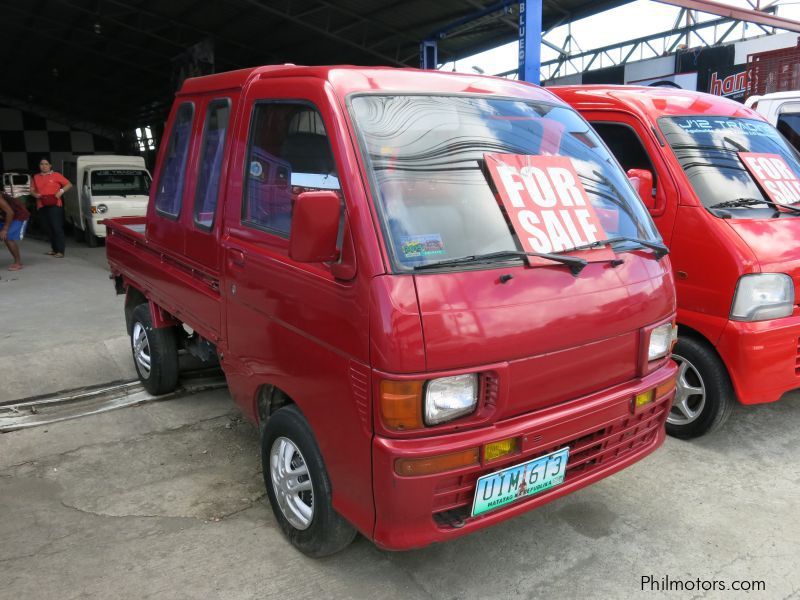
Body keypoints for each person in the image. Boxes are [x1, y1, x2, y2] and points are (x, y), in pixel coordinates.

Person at [30, 157, 72, 258]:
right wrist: (35, 195)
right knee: (47, 227)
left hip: (55, 204)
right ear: (39, 166)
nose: (44, 166)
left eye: (46, 164)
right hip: (42, 204)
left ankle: (60, 251)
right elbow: (31, 190)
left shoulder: (56, 175)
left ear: (50, 166)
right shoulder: (36, 177)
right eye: (41, 164)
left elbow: (69, 184)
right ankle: (54, 249)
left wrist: (60, 192)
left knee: (56, 227)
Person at [0, 192, 30, 271]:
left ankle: (18, 262)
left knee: (8, 236)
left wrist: (5, 229)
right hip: (3, 216)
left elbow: (10, 212)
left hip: (18, 215)